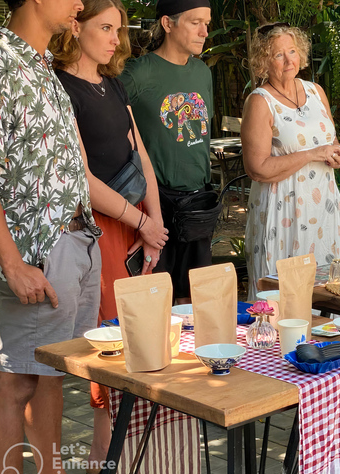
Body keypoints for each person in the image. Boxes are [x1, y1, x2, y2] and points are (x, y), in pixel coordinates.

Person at [0, 0, 113, 474]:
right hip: (36, 251)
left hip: (76, 239)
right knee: (15, 383)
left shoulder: (40, 64)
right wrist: (11, 262)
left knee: (49, 373)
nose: (79, 1)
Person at [49, 0, 167, 474]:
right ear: (75, 27)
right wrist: (140, 224)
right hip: (100, 225)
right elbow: (82, 178)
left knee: (142, 328)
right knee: (110, 333)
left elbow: (142, 158)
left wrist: (154, 221)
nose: (116, 39)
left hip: (139, 221)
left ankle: (134, 439)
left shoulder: (113, 84)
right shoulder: (62, 87)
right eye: (106, 27)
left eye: (118, 29)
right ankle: (103, 449)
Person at [242, 23, 340, 298]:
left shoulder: (316, 91)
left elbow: (330, 141)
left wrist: (337, 153)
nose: (289, 59)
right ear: (263, 61)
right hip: (284, 212)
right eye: (278, 54)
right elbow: (257, 169)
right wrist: (312, 155)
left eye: (292, 51)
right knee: (285, 297)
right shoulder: (260, 102)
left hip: (324, 211)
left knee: (333, 292)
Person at [119, 0, 213, 302]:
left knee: (195, 301)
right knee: (155, 300)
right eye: (195, 22)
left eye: (207, 23)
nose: (204, 31)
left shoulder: (202, 73)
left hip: (197, 203)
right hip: (155, 205)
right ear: (167, 24)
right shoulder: (137, 73)